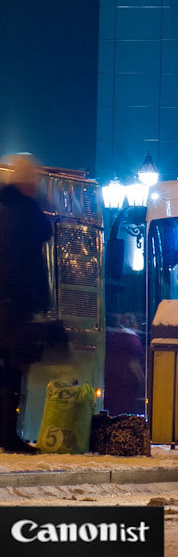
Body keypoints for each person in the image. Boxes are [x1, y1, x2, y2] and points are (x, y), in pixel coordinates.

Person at [0, 153, 52, 454]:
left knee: (4, 370)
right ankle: (9, 435)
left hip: (5, 303)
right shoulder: (25, 212)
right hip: (15, 305)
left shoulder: (4, 209)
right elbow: (44, 231)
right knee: (15, 371)